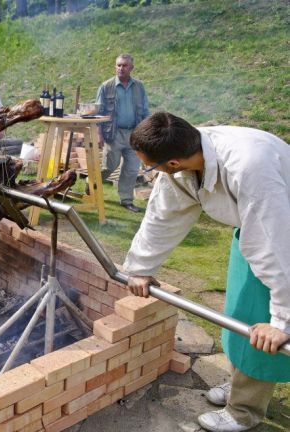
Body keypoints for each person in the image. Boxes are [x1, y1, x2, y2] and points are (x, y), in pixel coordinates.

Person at [124, 112, 290, 432]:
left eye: (150, 167)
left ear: (172, 162)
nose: (151, 172)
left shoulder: (249, 166)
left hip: (283, 237)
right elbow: (163, 215)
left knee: (262, 330)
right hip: (253, 230)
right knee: (238, 315)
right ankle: (239, 383)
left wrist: (284, 319)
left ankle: (243, 411)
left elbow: (275, 246)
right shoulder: (186, 155)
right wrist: (140, 269)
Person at [94, 53, 150, 213]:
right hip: (114, 133)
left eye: (125, 65)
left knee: (132, 168)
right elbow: (99, 112)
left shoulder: (139, 86)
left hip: (135, 133)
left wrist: (146, 133)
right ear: (115, 67)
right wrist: (99, 134)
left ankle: (126, 200)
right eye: (118, 65)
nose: (121, 68)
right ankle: (92, 186)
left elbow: (145, 111)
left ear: (131, 68)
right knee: (109, 166)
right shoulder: (106, 86)